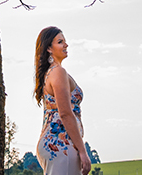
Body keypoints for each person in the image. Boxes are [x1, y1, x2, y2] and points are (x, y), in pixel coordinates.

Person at [34, 26, 90, 175]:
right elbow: (65, 113)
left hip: (57, 143)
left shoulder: (52, 73)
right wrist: (83, 151)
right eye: (60, 42)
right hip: (60, 145)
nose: (66, 45)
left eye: (65, 41)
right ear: (49, 49)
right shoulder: (58, 72)